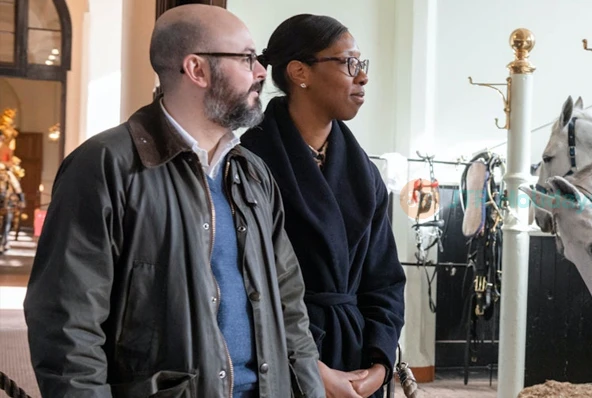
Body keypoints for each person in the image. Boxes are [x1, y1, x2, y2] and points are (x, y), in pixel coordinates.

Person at [23, 5, 324, 397]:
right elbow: (68, 326)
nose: (261, 72)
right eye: (247, 58)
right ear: (197, 69)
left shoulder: (253, 173)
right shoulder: (105, 167)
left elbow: (289, 304)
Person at [241, 14, 406, 398]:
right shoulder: (249, 162)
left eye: (362, 64)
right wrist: (309, 369)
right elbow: (242, 287)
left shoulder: (364, 172)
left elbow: (384, 278)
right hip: (281, 360)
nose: (362, 77)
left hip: (357, 358)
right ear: (301, 72)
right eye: (349, 63)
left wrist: (380, 363)